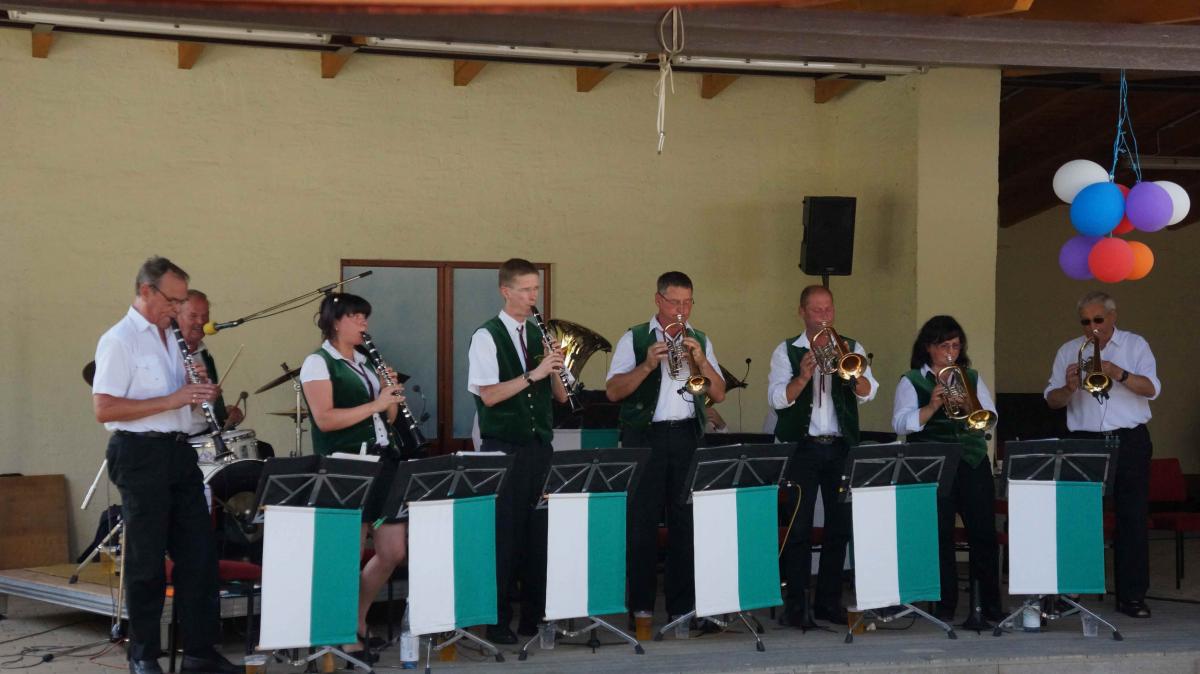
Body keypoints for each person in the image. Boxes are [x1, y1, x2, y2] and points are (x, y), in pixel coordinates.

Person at [92, 256, 239, 674]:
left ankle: (199, 652)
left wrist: (198, 394)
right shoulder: (119, 340)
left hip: (179, 451)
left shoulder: (173, 340)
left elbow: (179, 405)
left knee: (199, 554)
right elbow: (104, 408)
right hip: (138, 453)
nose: (177, 310)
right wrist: (173, 398)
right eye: (173, 301)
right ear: (146, 291)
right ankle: (143, 654)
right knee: (146, 559)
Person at [605, 271, 726, 627]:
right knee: (641, 525)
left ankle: (682, 609)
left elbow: (718, 393)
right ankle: (641, 609)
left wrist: (701, 361)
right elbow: (613, 391)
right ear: (658, 300)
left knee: (686, 524)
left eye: (687, 303)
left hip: (687, 435)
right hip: (646, 438)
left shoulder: (699, 339)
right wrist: (647, 364)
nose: (681, 311)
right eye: (674, 303)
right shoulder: (634, 337)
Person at [466, 258, 570, 644]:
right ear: (505, 291)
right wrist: (534, 373)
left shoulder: (536, 334)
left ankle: (534, 617)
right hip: (504, 448)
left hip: (539, 447)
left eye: (536, 289)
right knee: (504, 535)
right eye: (525, 290)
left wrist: (554, 366)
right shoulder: (486, 336)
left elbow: (561, 397)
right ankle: (496, 622)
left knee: (538, 532)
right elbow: (489, 395)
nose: (532, 297)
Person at [300, 292, 407, 659]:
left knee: (393, 551)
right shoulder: (318, 363)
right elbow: (325, 419)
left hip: (383, 460)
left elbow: (387, 419)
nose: (364, 323)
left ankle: (357, 619)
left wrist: (389, 396)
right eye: (356, 317)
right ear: (335, 322)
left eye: (365, 316)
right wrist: (376, 402)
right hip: (348, 464)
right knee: (350, 552)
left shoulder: (365, 362)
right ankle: (344, 632)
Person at [1044, 290, 1160, 619]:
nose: (1092, 327)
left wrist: (1118, 373)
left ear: (1112, 317)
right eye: (1085, 322)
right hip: (1084, 439)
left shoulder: (1135, 345)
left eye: (1098, 319)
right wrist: (1068, 388)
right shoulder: (1069, 350)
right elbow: (1051, 400)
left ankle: (1132, 596)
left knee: (1132, 518)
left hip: (1129, 439)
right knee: (1079, 518)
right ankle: (1072, 592)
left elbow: (1152, 388)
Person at [767, 285, 877, 626]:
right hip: (802, 448)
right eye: (816, 310)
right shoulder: (786, 350)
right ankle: (796, 607)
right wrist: (803, 376)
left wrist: (853, 374)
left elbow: (868, 392)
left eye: (828, 309)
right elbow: (777, 399)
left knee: (838, 527)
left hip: (841, 447)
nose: (824, 316)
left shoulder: (852, 347)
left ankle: (829, 603)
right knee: (798, 528)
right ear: (802, 312)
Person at [892, 315, 1002, 622]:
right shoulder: (911, 380)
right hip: (933, 466)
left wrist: (968, 403)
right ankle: (945, 605)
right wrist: (930, 407)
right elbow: (900, 424)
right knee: (940, 536)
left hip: (972, 461)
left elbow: (989, 416)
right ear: (929, 347)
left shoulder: (971, 377)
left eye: (955, 346)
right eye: (944, 346)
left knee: (983, 533)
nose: (951, 352)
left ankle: (988, 605)